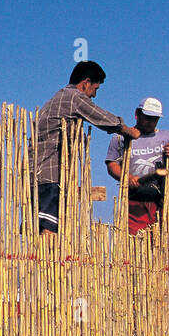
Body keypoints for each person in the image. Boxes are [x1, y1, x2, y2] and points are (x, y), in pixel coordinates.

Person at [35, 61, 138, 234]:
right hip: (51, 174)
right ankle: (48, 261)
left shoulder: (54, 99)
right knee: (49, 231)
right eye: (95, 89)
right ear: (86, 83)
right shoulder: (73, 97)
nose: (94, 95)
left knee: (40, 227)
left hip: (38, 173)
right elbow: (99, 116)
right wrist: (127, 130)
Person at [104, 97, 169, 234]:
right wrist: (126, 177)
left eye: (155, 119)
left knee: (162, 243)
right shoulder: (121, 138)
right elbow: (112, 164)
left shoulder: (167, 137)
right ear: (137, 114)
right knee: (135, 243)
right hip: (133, 201)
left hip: (162, 202)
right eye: (147, 118)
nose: (151, 122)